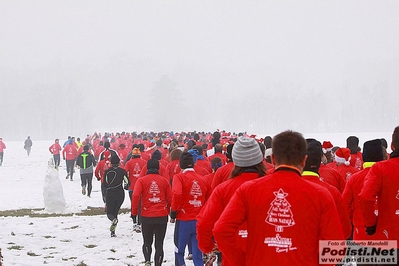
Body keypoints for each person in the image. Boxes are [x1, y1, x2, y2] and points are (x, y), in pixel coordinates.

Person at [213, 130, 344, 265]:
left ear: (273, 159)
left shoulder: (248, 190)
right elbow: (336, 246)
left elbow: (221, 230)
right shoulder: (321, 194)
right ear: (304, 161)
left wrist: (241, 261)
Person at [197, 136, 266, 266]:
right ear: (260, 159)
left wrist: (208, 246)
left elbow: (204, 224)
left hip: (233, 257)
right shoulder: (273, 187)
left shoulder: (223, 189)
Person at [359, 126, 399, 254]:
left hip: (389, 240)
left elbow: (365, 196)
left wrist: (370, 224)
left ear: (392, 146)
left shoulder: (380, 169)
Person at [171, 151, 210, 266]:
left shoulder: (179, 177)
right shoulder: (203, 179)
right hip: (199, 220)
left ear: (181, 165)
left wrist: (173, 211)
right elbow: (209, 200)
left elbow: (177, 194)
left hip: (184, 219)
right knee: (198, 255)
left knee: (179, 251)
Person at [131, 159, 172, 266]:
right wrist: (167, 211)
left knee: (147, 241)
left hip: (146, 215)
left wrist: (134, 213)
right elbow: (170, 198)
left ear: (147, 168)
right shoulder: (164, 181)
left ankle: (147, 261)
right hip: (161, 216)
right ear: (158, 168)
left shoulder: (141, 180)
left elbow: (135, 196)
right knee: (159, 244)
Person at [343, 139, 384, 240]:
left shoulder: (354, 178)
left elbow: (344, 204)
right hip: (387, 235)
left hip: (361, 233)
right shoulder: (389, 176)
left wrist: (353, 221)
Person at [104, 155, 129, 237]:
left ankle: (113, 220)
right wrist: (126, 186)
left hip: (110, 193)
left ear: (111, 163)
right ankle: (113, 231)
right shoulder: (123, 171)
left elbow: (105, 184)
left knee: (109, 212)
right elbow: (127, 182)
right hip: (120, 194)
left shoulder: (107, 172)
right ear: (119, 163)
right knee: (115, 211)